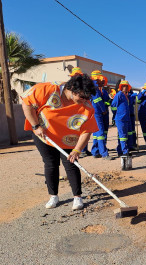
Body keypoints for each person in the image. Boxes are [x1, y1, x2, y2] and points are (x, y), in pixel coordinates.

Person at [20, 74, 98, 210]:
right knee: (50, 164)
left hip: (69, 139)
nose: (85, 100)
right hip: (44, 136)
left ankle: (77, 197)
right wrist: (35, 126)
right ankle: (53, 196)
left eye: (88, 97)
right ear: (72, 89)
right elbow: (26, 103)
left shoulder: (87, 107)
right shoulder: (48, 89)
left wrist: (77, 149)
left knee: (71, 163)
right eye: (82, 96)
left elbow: (87, 130)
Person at [90, 70, 112, 160]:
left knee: (98, 133)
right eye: (99, 79)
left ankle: (95, 151)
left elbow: (105, 101)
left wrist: (109, 101)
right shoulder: (94, 88)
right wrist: (103, 109)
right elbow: (98, 100)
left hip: (103, 113)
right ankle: (104, 153)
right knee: (100, 133)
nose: (101, 81)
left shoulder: (103, 90)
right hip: (98, 113)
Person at [111, 80, 132, 156]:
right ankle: (125, 151)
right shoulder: (119, 94)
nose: (125, 87)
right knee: (123, 136)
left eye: (126, 86)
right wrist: (116, 115)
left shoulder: (125, 95)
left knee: (123, 135)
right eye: (123, 86)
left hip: (125, 118)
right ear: (121, 87)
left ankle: (120, 150)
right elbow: (113, 106)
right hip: (120, 118)